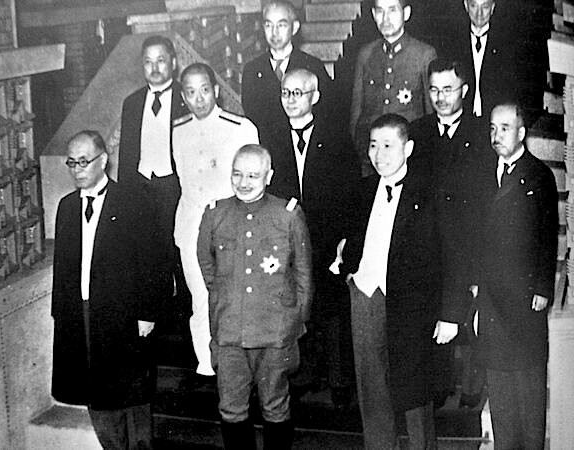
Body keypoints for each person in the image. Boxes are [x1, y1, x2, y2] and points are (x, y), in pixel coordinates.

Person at [52, 131, 167, 449]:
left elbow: (152, 260)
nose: (77, 169)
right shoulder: (66, 207)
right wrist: (62, 317)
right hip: (83, 313)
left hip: (124, 314)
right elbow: (63, 268)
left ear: (103, 160)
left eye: (84, 161)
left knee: (131, 392)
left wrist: (147, 312)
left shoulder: (132, 202)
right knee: (95, 391)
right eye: (72, 162)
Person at [197, 144, 312, 450]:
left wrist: (294, 322)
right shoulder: (215, 214)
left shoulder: (287, 215)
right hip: (230, 331)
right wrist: (226, 298)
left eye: (253, 175)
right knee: (232, 407)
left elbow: (303, 274)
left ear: (269, 176)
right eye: (237, 174)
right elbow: (207, 266)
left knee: (275, 405)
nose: (244, 182)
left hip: (275, 332)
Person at [260, 68, 359, 407]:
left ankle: (339, 378)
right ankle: (303, 373)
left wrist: (344, 239)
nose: (290, 100)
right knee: (296, 304)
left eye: (298, 93)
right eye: (285, 93)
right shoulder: (270, 138)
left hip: (327, 237)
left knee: (331, 308)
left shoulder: (336, 138)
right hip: (288, 238)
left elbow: (350, 193)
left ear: (315, 97)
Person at [339, 114, 439, 449]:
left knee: (412, 386)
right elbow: (353, 235)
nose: (379, 154)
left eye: (387, 145)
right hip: (366, 295)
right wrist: (349, 268)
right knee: (371, 386)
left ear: (408, 148)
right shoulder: (364, 188)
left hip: (409, 302)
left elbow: (439, 255)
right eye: (372, 145)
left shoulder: (427, 191)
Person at [410, 58, 496, 407]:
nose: (440, 97)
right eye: (434, 90)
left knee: (473, 316)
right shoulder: (416, 131)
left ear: (464, 89)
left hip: (471, 238)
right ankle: (440, 384)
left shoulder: (480, 132)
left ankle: (475, 386)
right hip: (431, 240)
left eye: (448, 89)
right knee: (435, 312)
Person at [472, 102, 557, 449]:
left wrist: (542, 287)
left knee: (528, 392)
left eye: (504, 128)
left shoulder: (538, 175)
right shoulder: (483, 173)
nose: (496, 135)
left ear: (521, 132)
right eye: (492, 128)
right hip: (492, 300)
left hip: (524, 300)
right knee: (501, 393)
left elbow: (547, 234)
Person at [172, 63, 259, 378]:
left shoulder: (240, 128)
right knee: (201, 298)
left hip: (229, 225)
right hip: (191, 226)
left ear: (217, 90)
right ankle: (208, 365)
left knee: (236, 296)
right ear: (183, 96)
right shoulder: (177, 132)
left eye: (205, 90)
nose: (199, 99)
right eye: (191, 92)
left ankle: (241, 363)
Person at [118, 35, 188, 313]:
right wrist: (125, 196)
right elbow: (126, 154)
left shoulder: (186, 97)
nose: (155, 67)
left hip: (175, 189)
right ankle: (156, 327)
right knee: (148, 261)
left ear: (173, 61)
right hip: (142, 190)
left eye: (161, 60)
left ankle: (186, 327)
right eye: (148, 62)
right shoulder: (132, 103)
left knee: (180, 258)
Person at [350, 0, 436, 177]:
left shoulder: (424, 54)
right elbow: (356, 111)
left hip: (408, 156)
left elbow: (431, 112)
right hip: (372, 159)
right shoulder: (366, 54)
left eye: (392, 11)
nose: (386, 18)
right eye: (380, 12)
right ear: (373, 15)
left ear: (406, 14)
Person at [241, 0, 332, 137]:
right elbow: (252, 117)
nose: (274, 32)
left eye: (281, 25)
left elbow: (326, 113)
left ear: (294, 28)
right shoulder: (252, 70)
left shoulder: (312, 66)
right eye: (268, 25)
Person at [442, 0, 515, 118]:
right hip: (462, 121)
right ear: (466, 6)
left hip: (494, 122)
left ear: (492, 8)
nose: (479, 13)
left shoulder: (508, 44)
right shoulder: (452, 42)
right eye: (473, 6)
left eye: (485, 7)